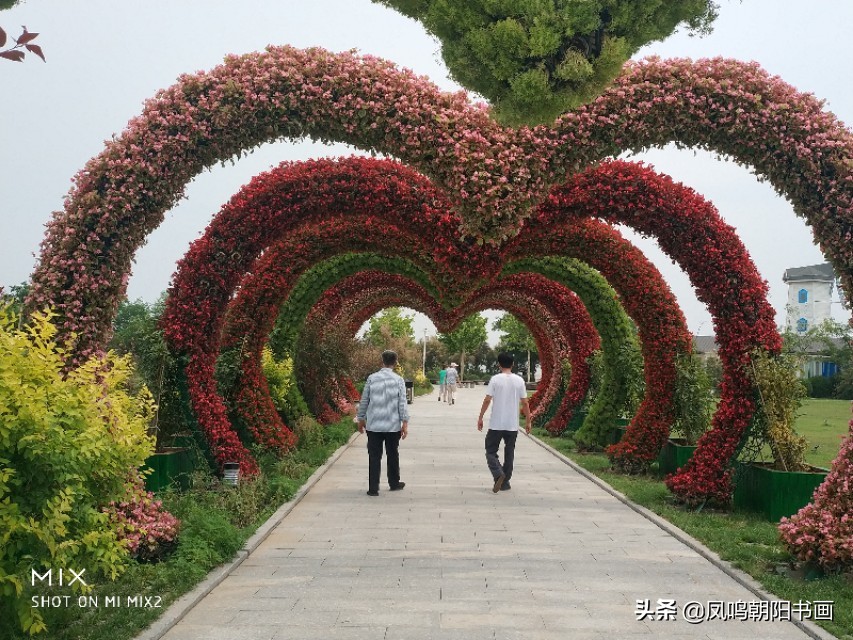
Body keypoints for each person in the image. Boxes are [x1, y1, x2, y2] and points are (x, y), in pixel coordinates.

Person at [357, 350, 409, 496]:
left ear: (382, 361)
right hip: (392, 425)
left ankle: (373, 488)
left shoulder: (372, 378)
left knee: (374, 456)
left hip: (374, 425)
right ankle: (394, 483)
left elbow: (364, 400)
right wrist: (405, 423)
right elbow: (402, 403)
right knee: (393, 454)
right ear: (395, 362)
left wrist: (361, 418)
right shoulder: (398, 380)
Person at [476, 352, 531, 493]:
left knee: (490, 451)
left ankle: (498, 473)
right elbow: (525, 402)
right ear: (513, 364)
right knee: (509, 452)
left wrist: (481, 417)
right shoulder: (519, 381)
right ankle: (505, 482)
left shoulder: (495, 379)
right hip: (512, 424)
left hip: (496, 423)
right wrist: (528, 421)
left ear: (499, 365)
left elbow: (487, 400)